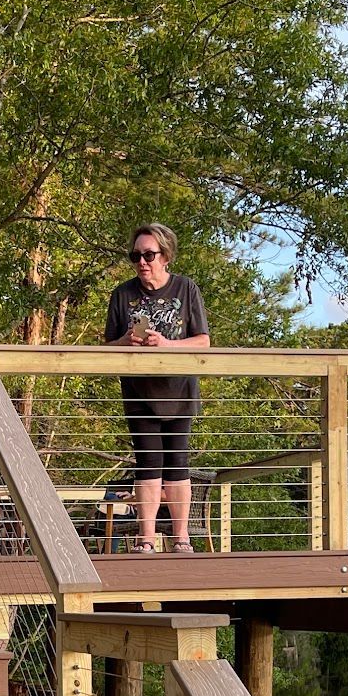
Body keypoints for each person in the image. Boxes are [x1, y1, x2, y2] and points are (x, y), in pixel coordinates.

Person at [103, 224, 210, 552]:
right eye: (135, 256)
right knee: (148, 463)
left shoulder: (186, 289)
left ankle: (181, 539)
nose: (142, 262)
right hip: (139, 394)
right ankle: (145, 540)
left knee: (177, 463)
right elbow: (106, 349)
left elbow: (204, 342)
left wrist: (167, 344)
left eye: (148, 255)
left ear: (166, 257)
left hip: (179, 391)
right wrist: (125, 342)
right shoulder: (122, 294)